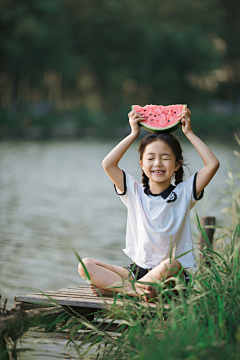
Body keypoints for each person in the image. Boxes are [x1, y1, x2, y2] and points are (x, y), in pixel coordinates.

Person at [78, 107, 220, 300]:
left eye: (165, 158)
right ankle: (137, 291)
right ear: (142, 165)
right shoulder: (134, 192)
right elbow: (108, 164)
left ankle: (120, 289)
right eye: (151, 158)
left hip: (170, 276)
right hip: (137, 271)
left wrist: (189, 133)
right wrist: (133, 133)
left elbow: (212, 164)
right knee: (85, 265)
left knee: (172, 264)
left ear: (177, 164)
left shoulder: (184, 193)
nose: (158, 163)